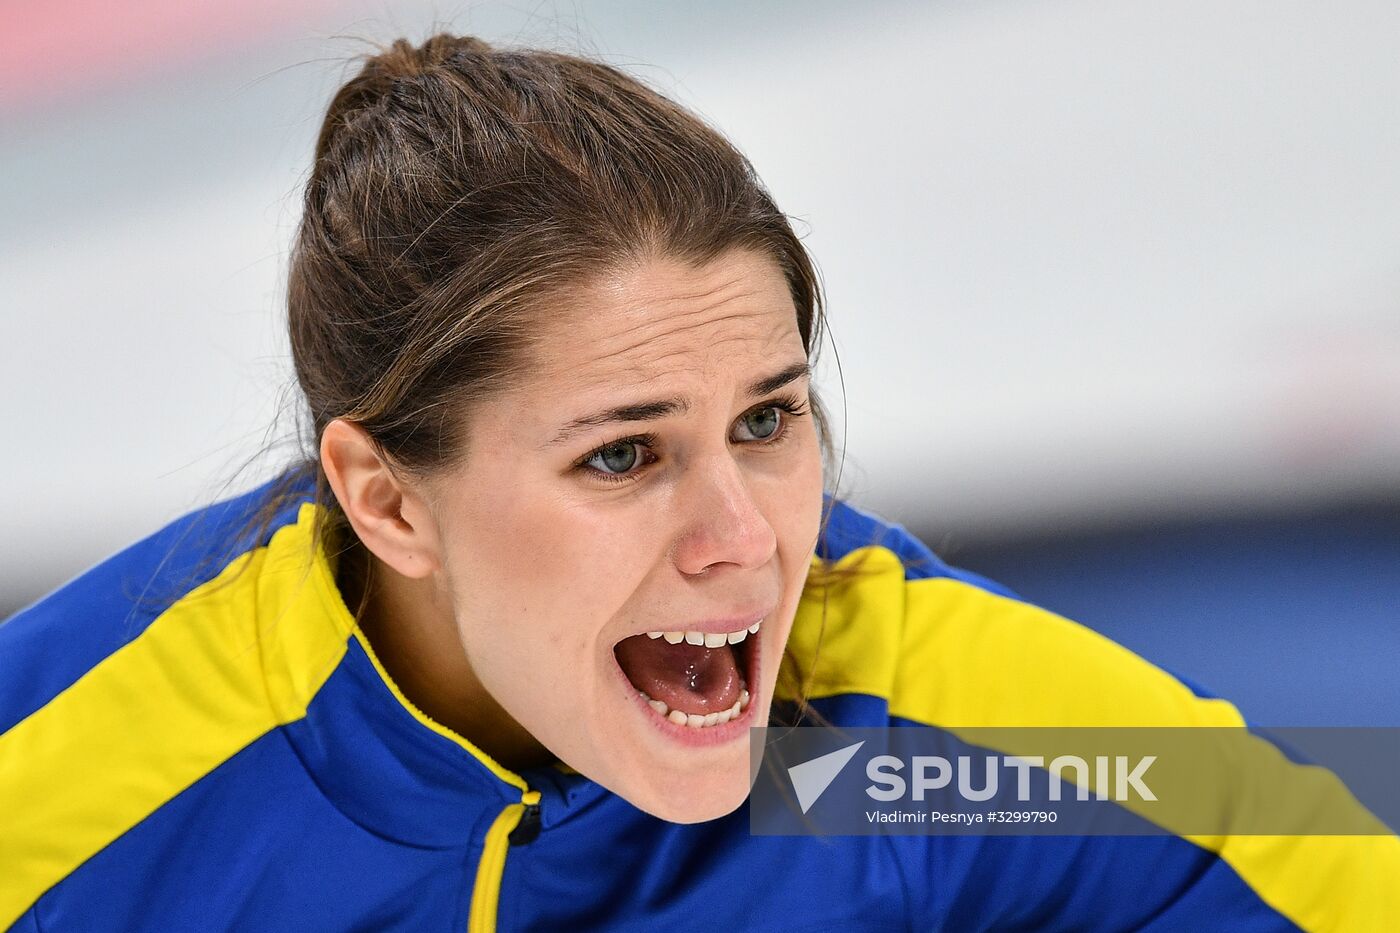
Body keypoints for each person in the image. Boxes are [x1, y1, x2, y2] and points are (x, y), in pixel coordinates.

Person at [0, 34, 1394, 933]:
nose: (744, 540)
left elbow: (1299, 852)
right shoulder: (73, 766)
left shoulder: (891, 746)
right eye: (623, 453)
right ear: (387, 501)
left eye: (768, 420)